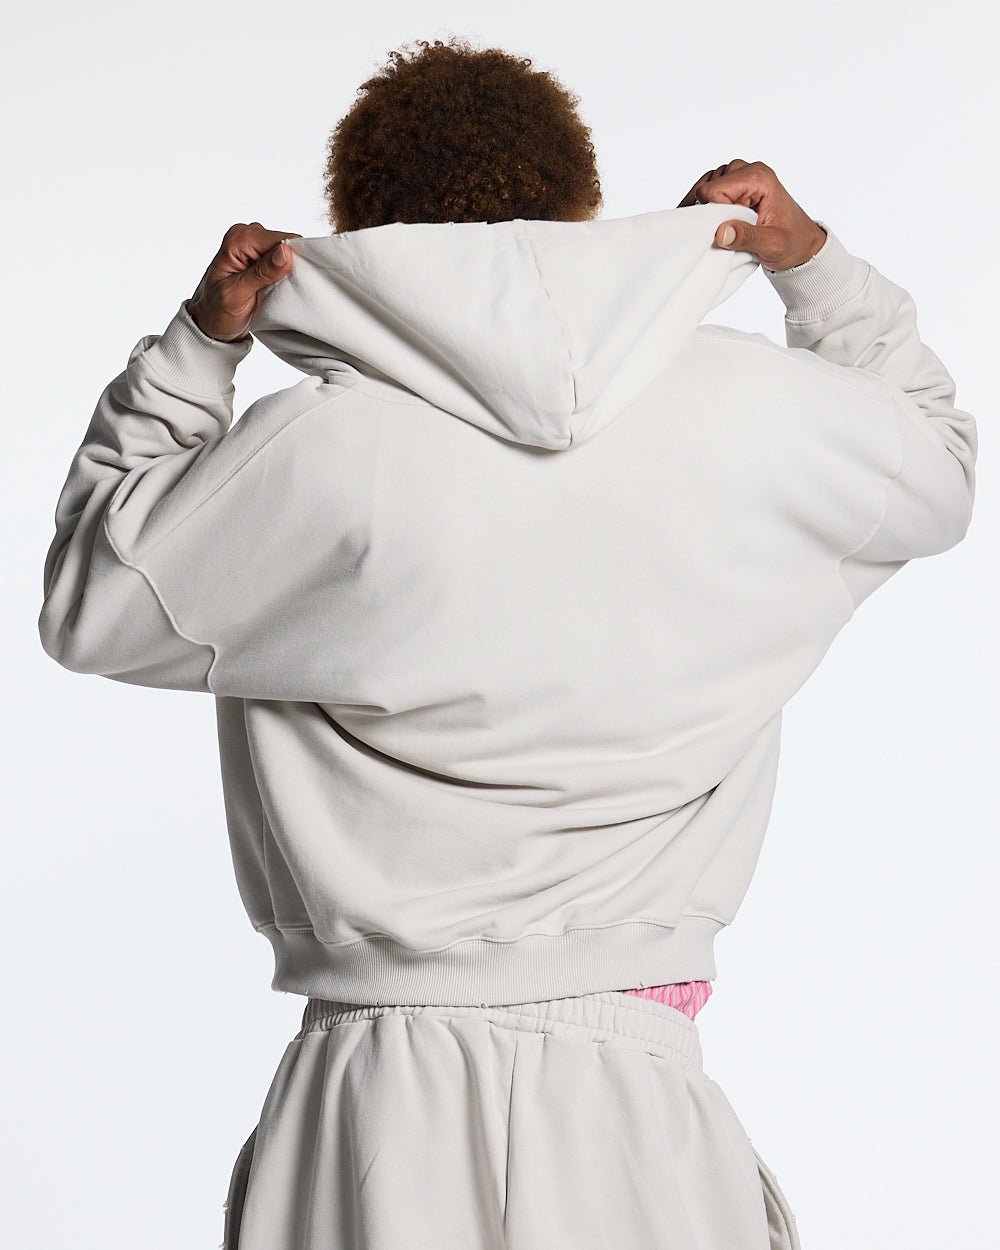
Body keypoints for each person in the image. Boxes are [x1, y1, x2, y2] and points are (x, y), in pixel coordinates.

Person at [37, 34, 977, 1250]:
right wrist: (812, 266)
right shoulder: (761, 418)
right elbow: (934, 460)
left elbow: (92, 597)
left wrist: (198, 350)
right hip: (639, 1103)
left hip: (371, 1101)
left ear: (364, 227)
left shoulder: (313, 451)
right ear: (579, 204)